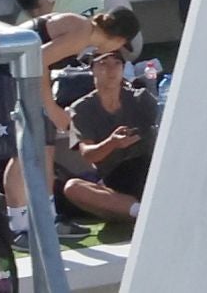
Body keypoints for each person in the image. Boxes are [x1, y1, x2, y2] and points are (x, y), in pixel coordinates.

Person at [0, 4, 138, 248]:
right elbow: (35, 60)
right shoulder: (81, 31)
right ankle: (18, 227)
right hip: (3, 77)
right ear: (118, 38)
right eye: (121, 45)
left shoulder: (82, 30)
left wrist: (48, 106)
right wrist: (52, 108)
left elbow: (37, 61)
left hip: (22, 78)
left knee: (46, 148)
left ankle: (48, 218)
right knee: (21, 152)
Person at [58, 48, 158, 226]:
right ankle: (141, 212)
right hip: (116, 179)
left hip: (151, 169)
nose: (111, 70)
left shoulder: (141, 99)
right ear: (92, 69)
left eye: (116, 64)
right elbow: (88, 154)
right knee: (73, 188)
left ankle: (145, 210)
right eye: (103, 64)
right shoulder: (82, 109)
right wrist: (112, 143)